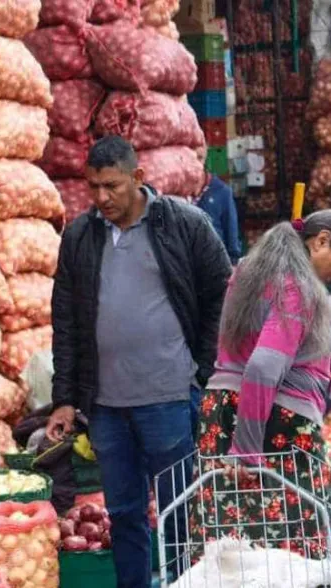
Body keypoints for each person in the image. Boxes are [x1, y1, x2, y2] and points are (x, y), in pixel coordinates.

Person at [46, 135, 232, 588]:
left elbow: (222, 296)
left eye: (111, 186)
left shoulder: (185, 225)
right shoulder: (80, 236)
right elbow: (66, 320)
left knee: (177, 509)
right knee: (125, 511)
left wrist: (202, 371)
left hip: (168, 397)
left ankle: (184, 582)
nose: (101, 198)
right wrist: (66, 399)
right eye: (94, 187)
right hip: (107, 404)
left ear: (138, 178)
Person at [192, 211, 331, 557]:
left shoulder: (247, 273)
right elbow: (264, 368)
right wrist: (247, 453)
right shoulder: (298, 286)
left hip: (221, 412)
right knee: (293, 554)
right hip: (274, 426)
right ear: (322, 241)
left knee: (226, 550)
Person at [196, 172, 243, 265]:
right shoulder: (175, 191)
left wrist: (233, 260)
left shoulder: (222, 191)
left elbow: (231, 228)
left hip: (215, 261)